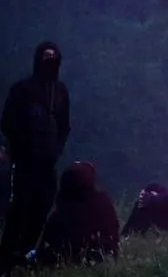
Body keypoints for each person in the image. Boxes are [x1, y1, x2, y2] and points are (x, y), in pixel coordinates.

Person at [0, 41, 71, 269]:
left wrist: (56, 149)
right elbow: (8, 122)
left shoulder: (60, 92)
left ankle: (26, 254)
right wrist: (23, 147)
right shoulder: (22, 90)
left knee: (42, 207)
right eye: (46, 56)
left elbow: (64, 125)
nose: (50, 60)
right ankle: (6, 258)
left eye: (54, 56)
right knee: (19, 209)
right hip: (24, 163)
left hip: (48, 163)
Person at [31, 161, 119, 268]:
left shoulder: (66, 209)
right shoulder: (102, 201)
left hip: (69, 260)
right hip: (99, 258)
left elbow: (47, 243)